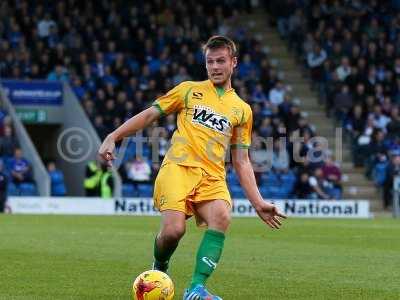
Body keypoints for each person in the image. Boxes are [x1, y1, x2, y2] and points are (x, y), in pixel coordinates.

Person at [99, 36, 286, 299]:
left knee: (222, 216)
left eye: (221, 61)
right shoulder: (188, 89)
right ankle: (160, 266)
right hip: (178, 168)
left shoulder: (242, 110)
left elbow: (242, 160)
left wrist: (258, 202)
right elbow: (150, 114)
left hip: (212, 176)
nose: (215, 66)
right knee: (174, 231)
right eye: (210, 61)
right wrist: (113, 136)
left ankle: (195, 288)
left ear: (234, 62)